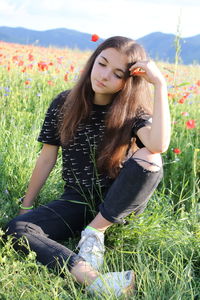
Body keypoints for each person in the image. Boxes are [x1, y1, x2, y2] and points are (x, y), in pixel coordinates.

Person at [5, 36, 170, 297]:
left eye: (117, 73)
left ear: (128, 81)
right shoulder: (64, 103)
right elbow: (47, 157)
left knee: (151, 158)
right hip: (77, 200)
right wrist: (27, 205)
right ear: (93, 61)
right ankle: (98, 282)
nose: (104, 76)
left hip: (120, 204)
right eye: (102, 64)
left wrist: (160, 85)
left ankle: (96, 231)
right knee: (17, 228)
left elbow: (158, 144)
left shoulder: (133, 112)